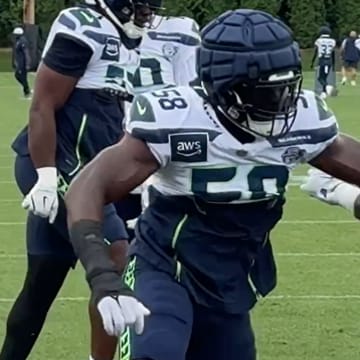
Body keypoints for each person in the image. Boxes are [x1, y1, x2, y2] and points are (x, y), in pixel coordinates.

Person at [65, 9, 360, 359]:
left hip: (231, 281)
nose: (284, 106)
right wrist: (102, 275)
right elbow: (88, 185)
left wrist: (343, 194)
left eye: (286, 89)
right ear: (223, 89)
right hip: (164, 268)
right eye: (267, 93)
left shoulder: (305, 120)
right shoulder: (178, 119)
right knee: (154, 352)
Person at [0, 1, 162, 360]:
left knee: (41, 284)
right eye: (142, 6)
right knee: (116, 256)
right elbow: (43, 103)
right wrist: (45, 175)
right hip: (58, 165)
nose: (147, 14)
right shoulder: (83, 25)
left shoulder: (132, 39)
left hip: (91, 169)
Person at [115, 14, 201, 236]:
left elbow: (191, 96)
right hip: (124, 145)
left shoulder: (179, 29)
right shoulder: (101, 27)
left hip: (152, 148)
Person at [311, 26, 336, 99]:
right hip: (329, 61)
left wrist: (312, 62)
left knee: (321, 78)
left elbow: (316, 52)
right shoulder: (332, 41)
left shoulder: (318, 41)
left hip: (322, 60)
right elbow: (333, 54)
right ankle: (324, 91)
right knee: (324, 77)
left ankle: (325, 89)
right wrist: (333, 64)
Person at [12, 27, 31, 98]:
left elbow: (26, 53)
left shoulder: (23, 41)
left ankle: (27, 91)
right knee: (18, 76)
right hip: (19, 62)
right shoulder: (18, 41)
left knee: (21, 77)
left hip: (23, 63)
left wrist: (27, 63)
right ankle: (26, 89)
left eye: (15, 34)